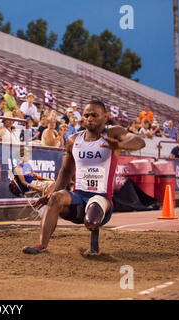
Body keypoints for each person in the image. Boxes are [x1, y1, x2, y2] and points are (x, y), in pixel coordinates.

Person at [23, 100, 145, 255]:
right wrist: (50, 196)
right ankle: (41, 245)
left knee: (92, 219)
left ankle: (94, 246)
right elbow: (66, 171)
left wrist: (121, 145)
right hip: (79, 197)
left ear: (105, 117)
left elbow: (139, 141)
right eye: (86, 115)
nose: (90, 118)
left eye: (94, 115)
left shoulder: (112, 133)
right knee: (55, 198)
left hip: (102, 198)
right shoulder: (74, 140)